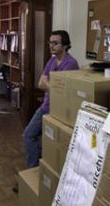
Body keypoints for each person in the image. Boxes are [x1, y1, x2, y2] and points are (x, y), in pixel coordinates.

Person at [24, 31, 79, 165]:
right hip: (46, 105)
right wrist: (53, 86)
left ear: (65, 45)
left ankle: (36, 168)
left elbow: (62, 91)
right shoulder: (52, 60)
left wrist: (50, 85)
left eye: (55, 43)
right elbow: (40, 83)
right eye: (50, 43)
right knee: (28, 134)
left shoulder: (70, 63)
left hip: (58, 110)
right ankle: (34, 168)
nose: (51, 46)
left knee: (40, 138)